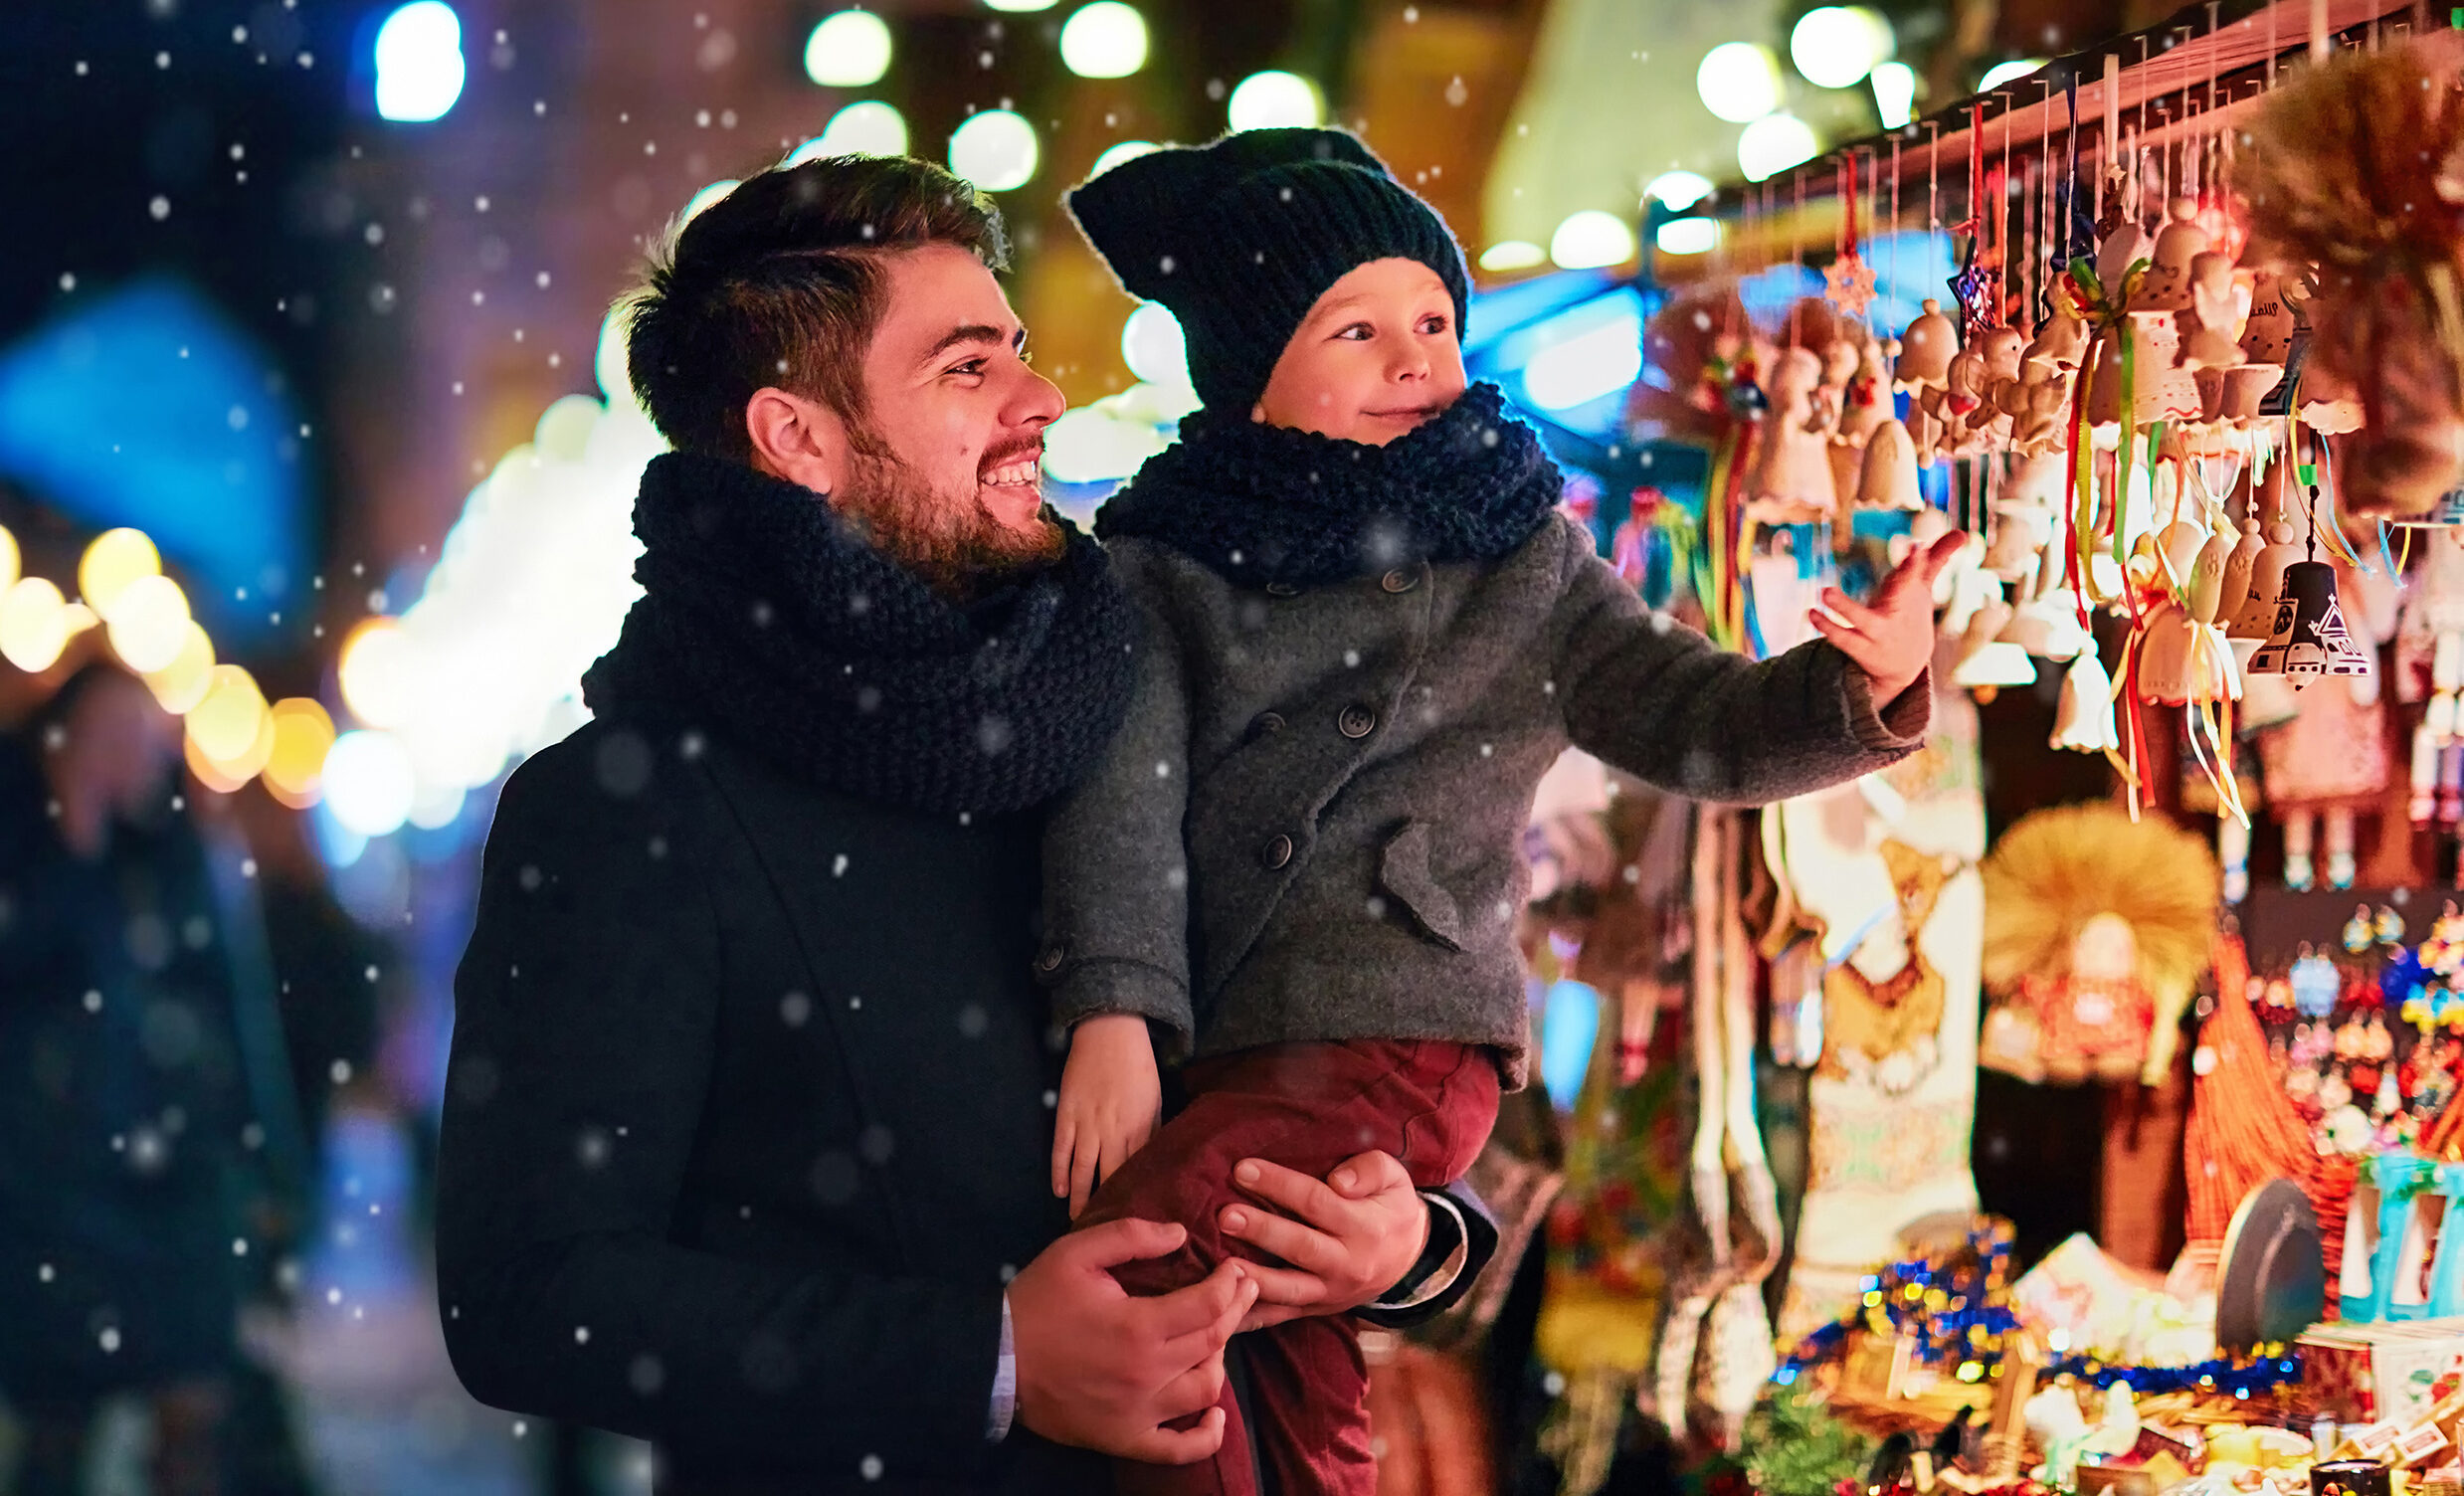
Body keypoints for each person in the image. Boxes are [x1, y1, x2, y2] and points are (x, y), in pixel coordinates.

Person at [433, 153, 1490, 1496]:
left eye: (1019, 352)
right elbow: (535, 1296)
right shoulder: (630, 810)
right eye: (966, 367)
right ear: (796, 438)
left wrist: (1406, 1249)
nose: (1040, 400)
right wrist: (989, 1358)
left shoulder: (1130, 713)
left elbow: (1342, 1052)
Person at [1038, 128, 1960, 1495]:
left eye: (1432, 319)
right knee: (1276, 1344)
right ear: (1248, 379)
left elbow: (1684, 713)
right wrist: (1114, 1010)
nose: (1418, 357)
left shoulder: (1520, 550)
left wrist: (1856, 689)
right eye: (1355, 329)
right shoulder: (1157, 561)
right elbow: (1119, 793)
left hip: (1396, 1026)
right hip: (1218, 1031)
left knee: (1158, 1262)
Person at [0, 664, 274, 1496]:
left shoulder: (186, 855)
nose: (130, 757)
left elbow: (238, 1015)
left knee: (193, 1422)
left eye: (142, 737)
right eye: (107, 736)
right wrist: (75, 832)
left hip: (180, 1180)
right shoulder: (23, 846)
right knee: (57, 1425)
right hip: (54, 1189)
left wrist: (271, 1165)